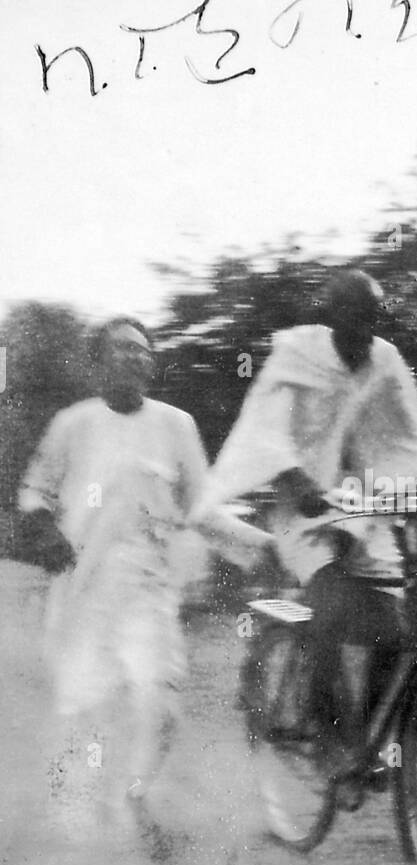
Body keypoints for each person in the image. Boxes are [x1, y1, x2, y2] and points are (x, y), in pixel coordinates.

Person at [199, 270, 417, 804]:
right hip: (302, 513)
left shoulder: (384, 358)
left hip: (359, 506)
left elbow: (415, 427)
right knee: (330, 607)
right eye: (354, 316)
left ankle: (363, 743)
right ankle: (330, 742)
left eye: (373, 318)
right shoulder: (296, 353)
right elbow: (263, 428)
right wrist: (294, 479)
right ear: (332, 314)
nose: (365, 329)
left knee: (401, 629)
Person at [17, 316, 269, 832]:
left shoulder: (176, 425)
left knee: (162, 702)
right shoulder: (73, 423)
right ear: (97, 363)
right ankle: (77, 827)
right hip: (83, 588)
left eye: (143, 351)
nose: (135, 358)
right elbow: (33, 491)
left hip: (148, 590)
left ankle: (138, 793)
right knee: (85, 706)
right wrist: (41, 527)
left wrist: (263, 546)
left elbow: (202, 509)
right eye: (122, 349)